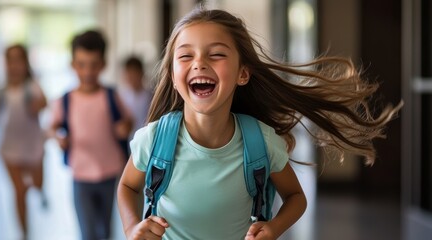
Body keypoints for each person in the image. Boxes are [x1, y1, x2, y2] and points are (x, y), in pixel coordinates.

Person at [117, 7, 402, 240]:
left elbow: (295, 196)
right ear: (173, 76)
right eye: (185, 55)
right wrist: (131, 229)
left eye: (216, 54)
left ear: (243, 73)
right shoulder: (153, 139)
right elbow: (127, 187)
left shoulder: (260, 141)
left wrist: (274, 228)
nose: (199, 63)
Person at [49, 30, 133, 240]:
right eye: (81, 64)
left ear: (103, 64)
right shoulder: (66, 100)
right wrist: (59, 137)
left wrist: (124, 127)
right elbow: (52, 126)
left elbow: (127, 120)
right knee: (87, 231)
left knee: (105, 229)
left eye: (93, 65)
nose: (87, 71)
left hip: (110, 171)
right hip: (80, 173)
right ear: (73, 64)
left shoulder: (111, 96)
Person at [0, 44, 48, 237]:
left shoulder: (32, 86)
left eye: (18, 60)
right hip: (9, 147)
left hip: (33, 145)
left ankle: (32, 185)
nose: (14, 65)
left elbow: (44, 103)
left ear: (25, 63)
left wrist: (36, 106)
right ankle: (24, 233)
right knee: (19, 192)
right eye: (10, 60)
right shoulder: (2, 89)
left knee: (37, 184)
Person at [118, 56, 153, 141]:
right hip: (126, 141)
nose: (132, 77)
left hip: (146, 139)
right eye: (129, 74)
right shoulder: (121, 96)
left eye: (135, 73)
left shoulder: (150, 96)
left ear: (141, 73)